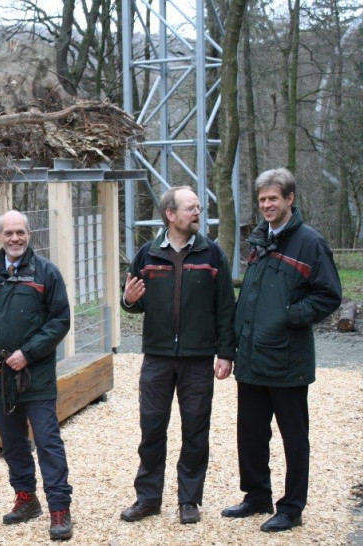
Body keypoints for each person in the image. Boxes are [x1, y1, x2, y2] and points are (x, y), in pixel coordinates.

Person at [222, 168, 341, 532]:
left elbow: (329, 294)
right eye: (262, 200)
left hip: (288, 358)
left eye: (274, 198)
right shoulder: (260, 240)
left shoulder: (309, 242)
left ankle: (291, 507)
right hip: (253, 357)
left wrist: (290, 315)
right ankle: (257, 495)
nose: (267, 205)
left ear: (290, 199)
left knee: (294, 437)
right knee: (251, 433)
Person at [120, 185, 235, 525]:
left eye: (198, 208)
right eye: (190, 208)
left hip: (198, 358)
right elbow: (135, 302)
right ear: (170, 215)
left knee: (195, 431)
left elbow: (226, 308)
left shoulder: (213, 255)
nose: (197, 213)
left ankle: (189, 500)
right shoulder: (148, 254)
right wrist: (127, 299)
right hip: (156, 357)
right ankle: (148, 498)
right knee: (152, 429)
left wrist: (226, 352)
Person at [0, 210, 73, 541]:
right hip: (0, 379)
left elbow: (60, 321)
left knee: (47, 442)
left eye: (21, 232)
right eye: (9, 233)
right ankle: (26, 498)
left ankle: (59, 507)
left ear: (29, 235)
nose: (15, 238)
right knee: (12, 444)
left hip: (36, 377)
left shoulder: (46, 273)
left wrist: (27, 353)